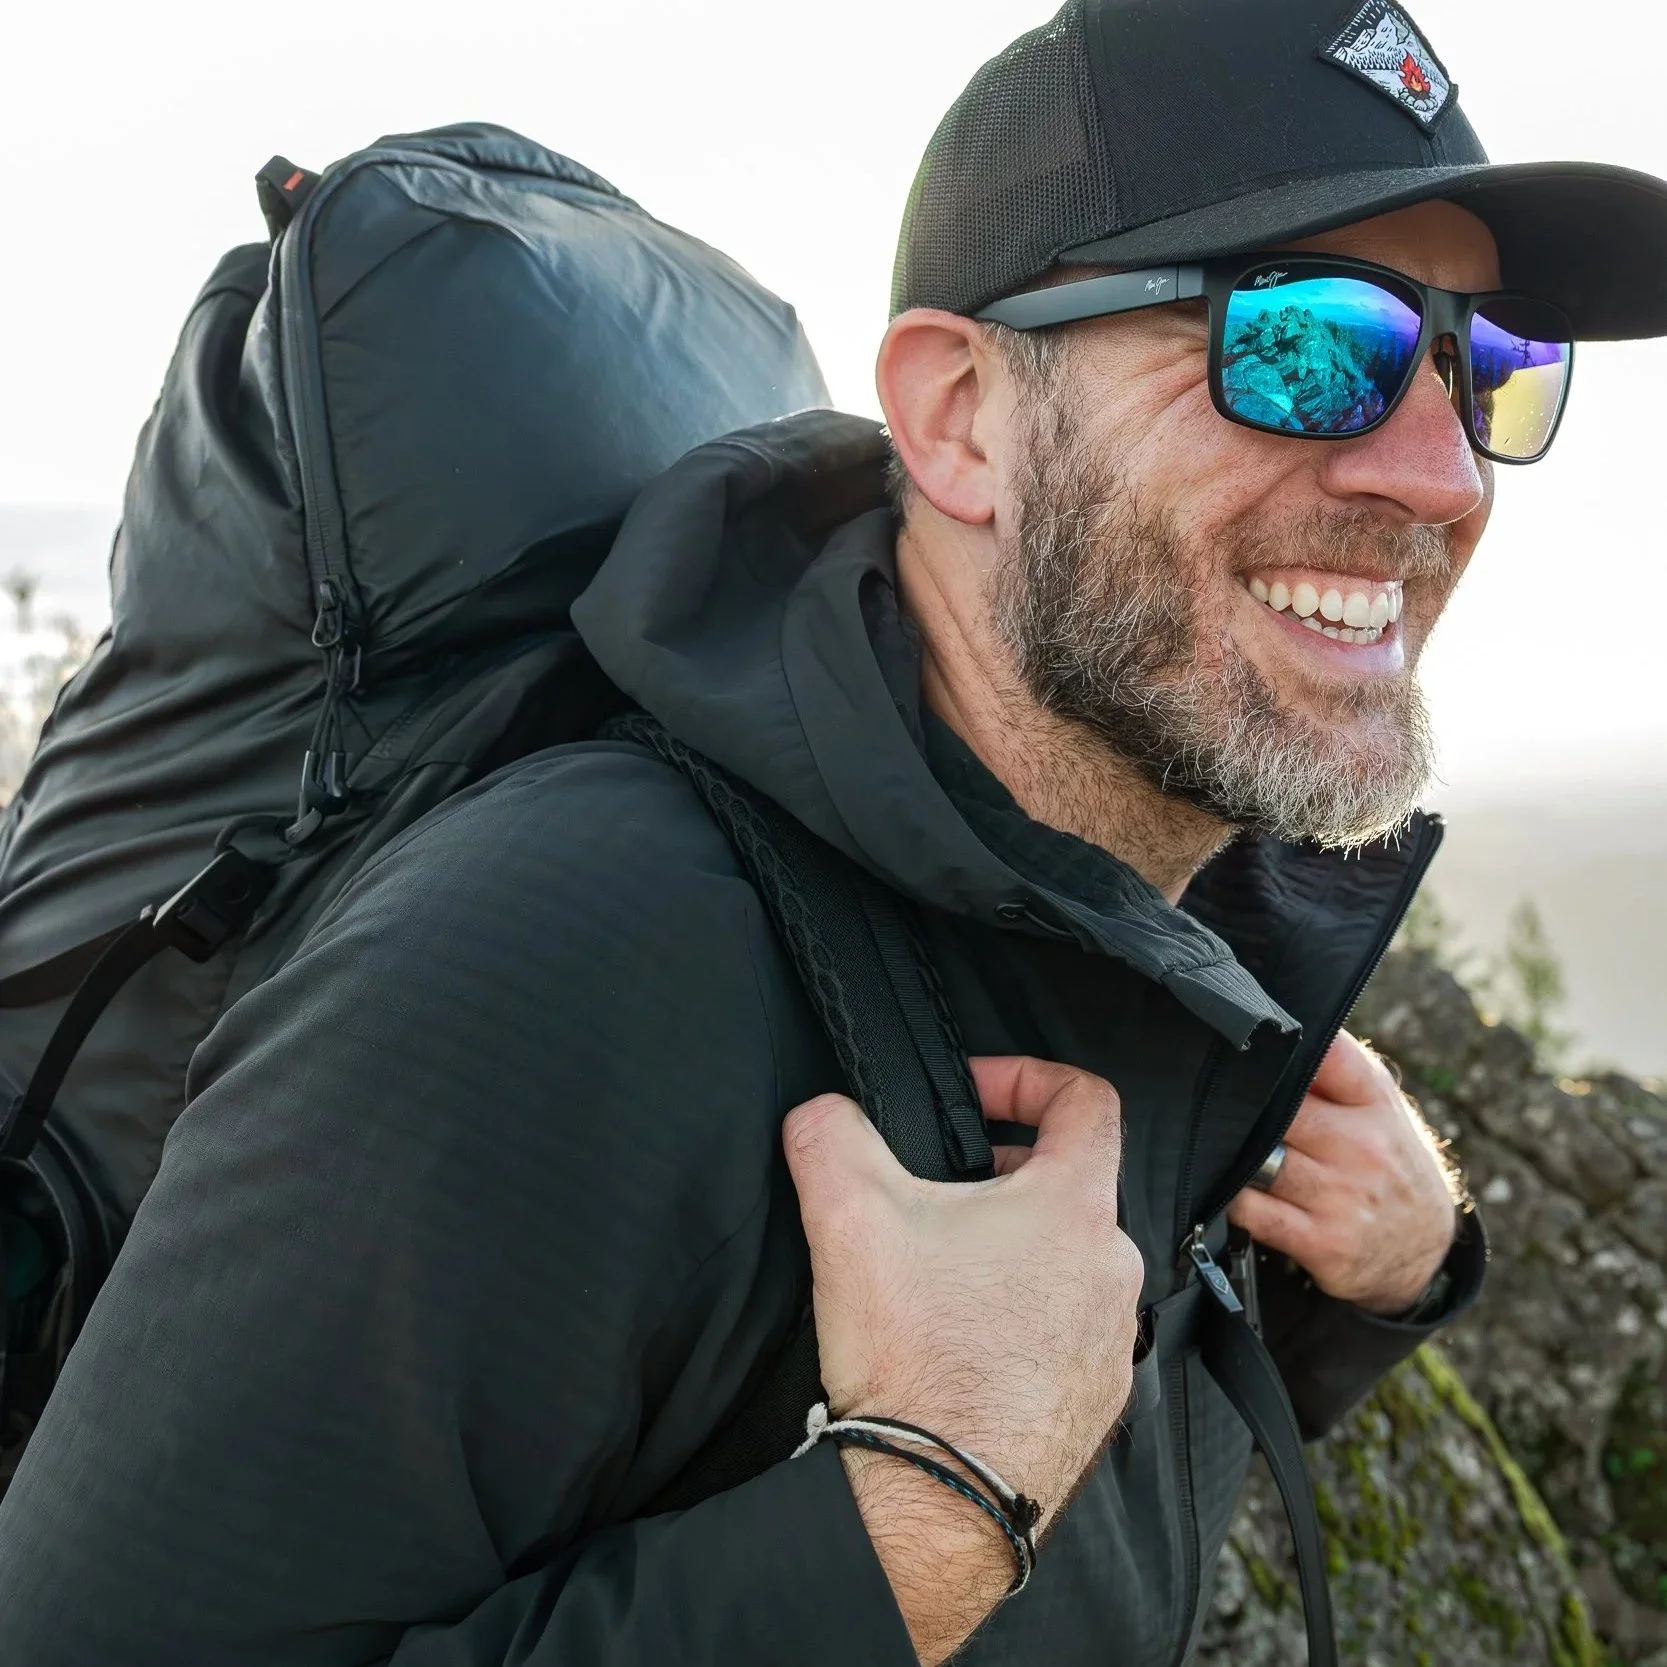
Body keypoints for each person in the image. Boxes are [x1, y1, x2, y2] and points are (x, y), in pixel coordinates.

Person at [2, 1, 1665, 1663]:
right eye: (1307, 340)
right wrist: (916, 1521)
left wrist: (1382, 1280)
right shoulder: (560, 961)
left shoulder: (1154, 925)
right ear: (956, 418)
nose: (1446, 476)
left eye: (1486, 365)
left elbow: (1102, 1431)